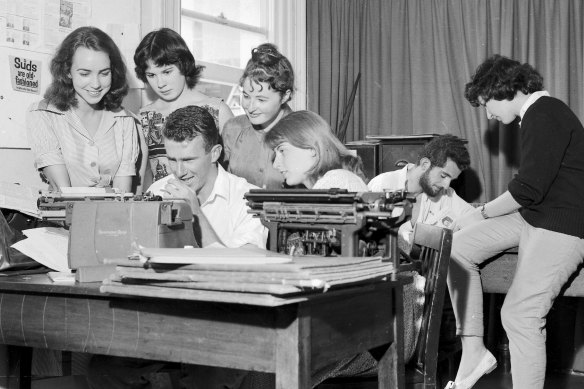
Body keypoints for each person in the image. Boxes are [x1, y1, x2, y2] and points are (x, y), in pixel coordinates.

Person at [87, 105, 267, 389]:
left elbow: (243, 270)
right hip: (165, 319)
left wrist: (196, 213)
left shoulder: (248, 197)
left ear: (215, 154)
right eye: (172, 159)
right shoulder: (158, 190)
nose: (179, 172)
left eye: (189, 159)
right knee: (104, 369)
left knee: (208, 376)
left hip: (223, 324)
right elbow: (138, 254)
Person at [445, 55, 584, 389]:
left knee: (519, 314)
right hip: (537, 216)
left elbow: (527, 189)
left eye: (487, 104)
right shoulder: (536, 115)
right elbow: (534, 194)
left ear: (506, 89)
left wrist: (478, 213)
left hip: (562, 225)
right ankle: (475, 349)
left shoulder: (545, 112)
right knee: (457, 248)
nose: (489, 114)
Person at [27, 26, 138, 193]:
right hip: (62, 217)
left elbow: (123, 195)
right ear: (67, 71)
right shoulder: (43, 114)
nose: (96, 84)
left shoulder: (125, 120)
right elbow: (62, 192)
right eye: (85, 74)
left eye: (104, 73)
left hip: (113, 216)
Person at [134, 27, 234, 188]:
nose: (160, 83)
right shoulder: (144, 117)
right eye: (151, 75)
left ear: (183, 65)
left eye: (167, 72)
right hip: (165, 205)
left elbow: (233, 174)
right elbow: (141, 180)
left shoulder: (218, 110)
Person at [368, 134, 474, 248]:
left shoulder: (446, 194)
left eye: (451, 180)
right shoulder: (382, 184)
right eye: (443, 176)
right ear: (425, 164)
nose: (446, 185)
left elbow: (475, 220)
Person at [221, 43, 295, 189]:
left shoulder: (304, 133)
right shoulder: (233, 129)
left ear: (285, 96)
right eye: (246, 96)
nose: (250, 107)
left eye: (261, 99)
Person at [264, 110, 368, 191]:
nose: (275, 165)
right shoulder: (333, 181)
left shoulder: (336, 181)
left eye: (282, 151)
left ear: (312, 149)